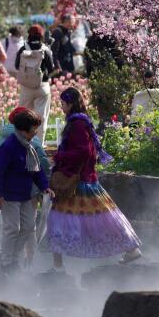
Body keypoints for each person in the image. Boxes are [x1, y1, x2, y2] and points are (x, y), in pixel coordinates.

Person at [47, 87, 141, 271]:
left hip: (79, 182)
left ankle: (58, 267)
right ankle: (58, 264)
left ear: (71, 104)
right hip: (84, 179)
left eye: (63, 103)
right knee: (102, 218)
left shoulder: (77, 124)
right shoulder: (80, 122)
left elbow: (84, 151)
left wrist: (60, 157)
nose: (61, 106)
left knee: (62, 220)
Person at [0, 109, 55, 275]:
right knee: (12, 229)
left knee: (27, 227)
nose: (35, 133)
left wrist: (44, 187)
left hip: (26, 195)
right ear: (23, 130)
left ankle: (14, 258)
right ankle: (6, 263)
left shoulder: (29, 146)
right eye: (34, 130)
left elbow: (36, 170)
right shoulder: (9, 146)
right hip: (9, 196)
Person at [15, 25, 55, 143]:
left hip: (26, 86)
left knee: (23, 115)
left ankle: (22, 141)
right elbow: (51, 68)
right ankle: (38, 144)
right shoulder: (45, 49)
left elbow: (17, 66)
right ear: (41, 35)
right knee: (41, 116)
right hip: (42, 86)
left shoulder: (23, 49)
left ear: (29, 34)